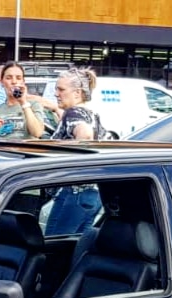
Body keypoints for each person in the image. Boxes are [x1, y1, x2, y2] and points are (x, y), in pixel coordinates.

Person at [46, 67, 107, 236]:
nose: (56, 93)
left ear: (77, 93)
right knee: (76, 248)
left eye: (61, 89)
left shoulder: (73, 113)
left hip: (73, 192)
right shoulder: (92, 114)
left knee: (54, 246)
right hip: (92, 193)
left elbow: (85, 134)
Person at [0, 62, 44, 140]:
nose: (14, 82)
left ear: (23, 82)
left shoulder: (33, 105)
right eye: (9, 78)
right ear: (2, 81)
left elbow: (37, 133)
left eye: (18, 78)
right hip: (4, 151)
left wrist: (24, 102)